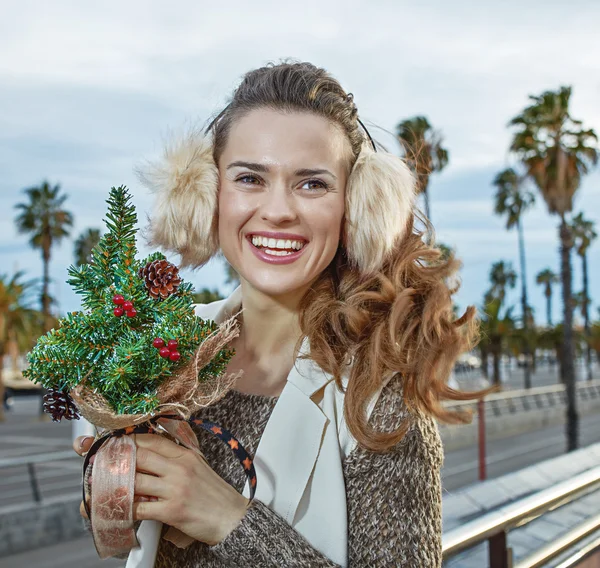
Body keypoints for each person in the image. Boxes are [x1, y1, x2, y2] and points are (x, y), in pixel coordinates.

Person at [75, 60, 485, 567]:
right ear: (208, 195)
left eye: (311, 184)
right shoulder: (167, 347)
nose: (278, 211)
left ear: (354, 208)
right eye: (250, 178)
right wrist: (116, 494)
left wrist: (229, 520)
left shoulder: (379, 403)